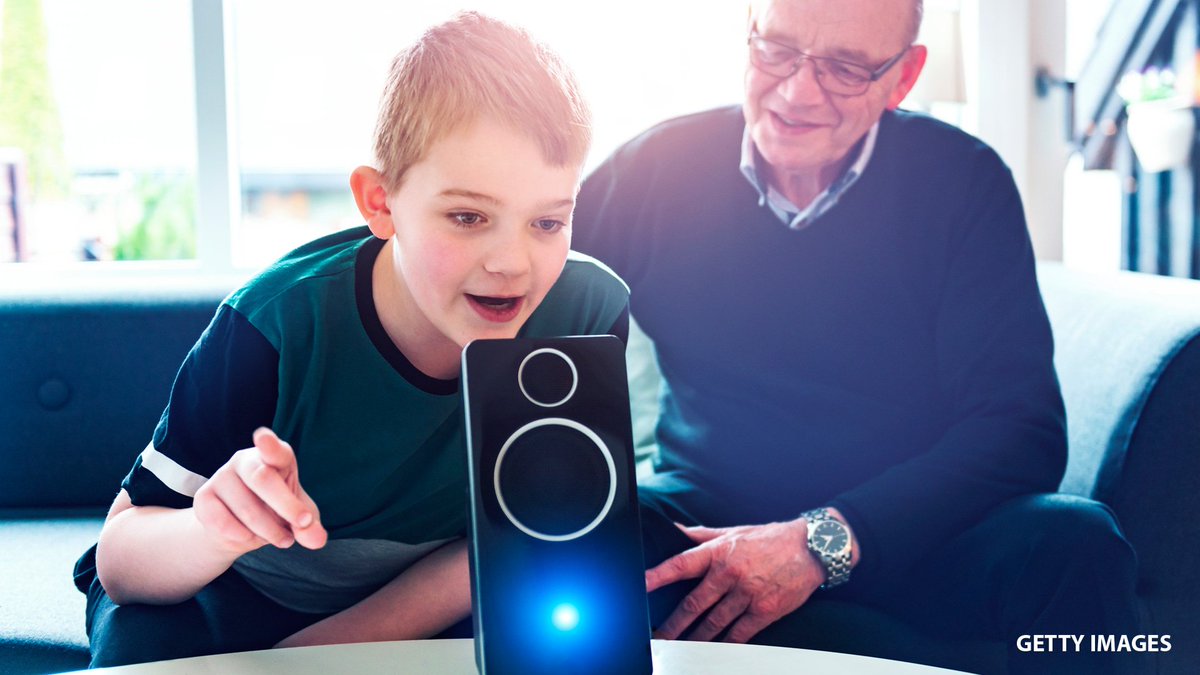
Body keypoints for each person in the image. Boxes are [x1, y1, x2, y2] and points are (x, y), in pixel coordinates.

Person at [573, 0, 1146, 672]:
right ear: (746, 37)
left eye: (844, 67)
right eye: (778, 50)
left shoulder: (964, 182)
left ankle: (825, 643)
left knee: (1077, 544)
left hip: (910, 536)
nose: (796, 91)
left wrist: (821, 543)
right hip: (708, 526)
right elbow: (535, 321)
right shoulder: (653, 169)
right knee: (578, 541)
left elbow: (1023, 431)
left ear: (903, 79)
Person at [72, 12, 629, 667]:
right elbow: (122, 559)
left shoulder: (588, 310)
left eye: (546, 221)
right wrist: (213, 528)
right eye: (468, 217)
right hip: (230, 585)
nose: (512, 261)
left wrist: (327, 648)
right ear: (381, 202)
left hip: (432, 594)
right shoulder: (275, 325)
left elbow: (523, 533)